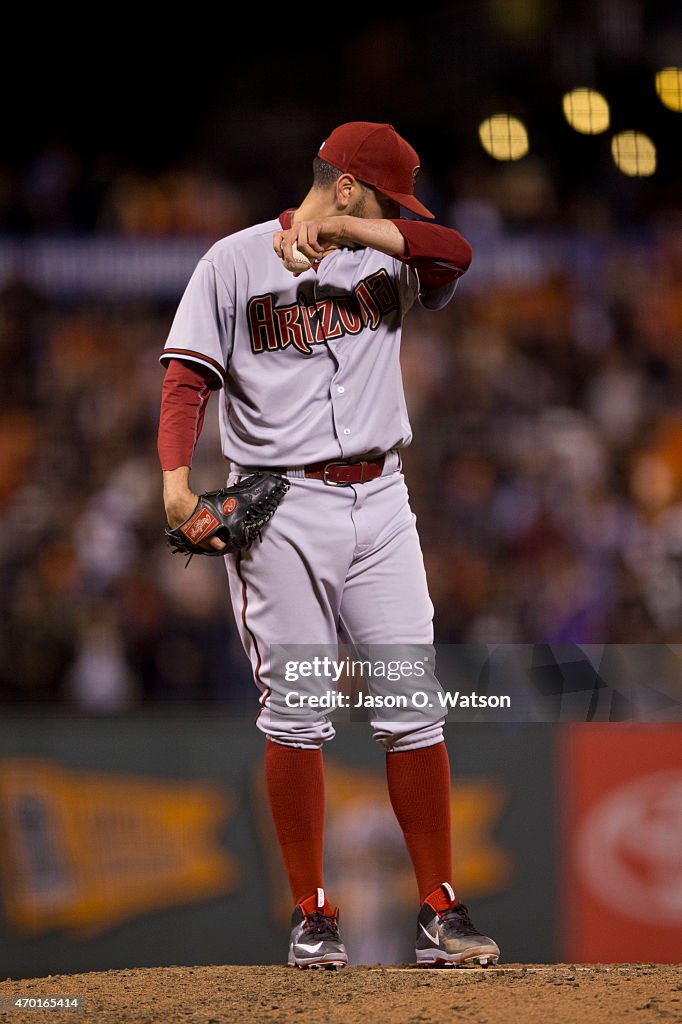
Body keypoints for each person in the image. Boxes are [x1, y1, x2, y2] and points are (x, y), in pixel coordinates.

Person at [157, 122, 500, 969]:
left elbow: (453, 251)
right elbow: (186, 378)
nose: (398, 216)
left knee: (412, 703)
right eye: (386, 197)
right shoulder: (233, 262)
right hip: (282, 502)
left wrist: (353, 230)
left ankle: (439, 909)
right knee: (299, 712)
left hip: (383, 498)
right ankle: (313, 912)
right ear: (346, 182)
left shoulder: (388, 253)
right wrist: (174, 479)